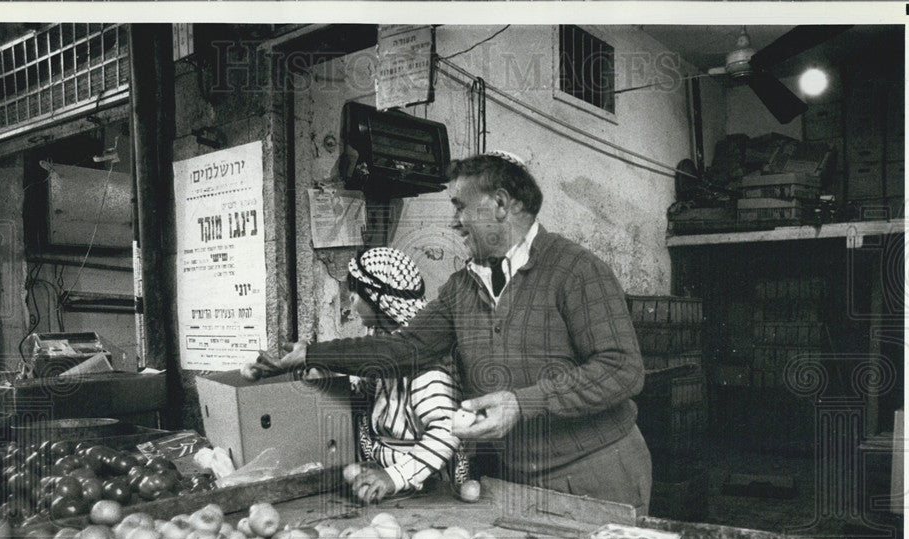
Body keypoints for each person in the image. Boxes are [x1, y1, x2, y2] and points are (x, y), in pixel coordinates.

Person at [260, 152, 651, 512]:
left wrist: (521, 403)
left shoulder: (576, 270)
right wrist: (310, 354)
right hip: (513, 480)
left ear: (499, 204)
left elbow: (622, 369)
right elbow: (404, 349)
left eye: (459, 206)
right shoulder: (461, 288)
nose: (453, 220)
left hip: (593, 474)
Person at [338, 246, 470, 504]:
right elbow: (381, 393)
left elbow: (448, 430)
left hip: (427, 483)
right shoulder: (385, 340)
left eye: (357, 291)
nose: (351, 299)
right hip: (387, 472)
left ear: (378, 297)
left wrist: (393, 478)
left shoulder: (422, 359)